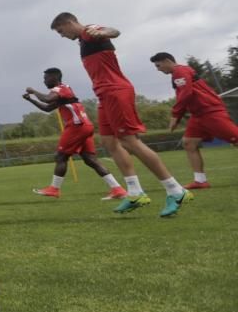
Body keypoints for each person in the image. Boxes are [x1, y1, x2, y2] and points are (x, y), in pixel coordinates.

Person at [50, 13, 192, 217]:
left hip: (116, 91)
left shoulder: (90, 32)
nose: (62, 36)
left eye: (61, 31)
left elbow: (113, 32)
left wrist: (104, 31)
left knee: (129, 141)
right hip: (104, 95)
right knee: (109, 142)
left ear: (69, 23)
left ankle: (175, 190)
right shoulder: (83, 40)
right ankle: (134, 192)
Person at [22, 68, 128, 199]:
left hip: (76, 126)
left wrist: (33, 91)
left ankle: (54, 189)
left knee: (61, 157)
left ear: (54, 77)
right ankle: (118, 189)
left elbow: (47, 99)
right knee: (90, 160)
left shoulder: (61, 89)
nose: (44, 81)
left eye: (46, 78)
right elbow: (47, 108)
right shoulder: (62, 92)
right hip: (85, 126)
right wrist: (30, 100)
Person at [151, 52, 238, 187]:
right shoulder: (178, 73)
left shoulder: (180, 71)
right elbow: (186, 95)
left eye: (158, 65)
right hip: (198, 115)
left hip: (210, 112)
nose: (158, 69)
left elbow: (186, 93)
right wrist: (178, 115)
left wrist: (175, 115)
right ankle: (200, 181)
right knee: (189, 143)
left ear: (167, 60)